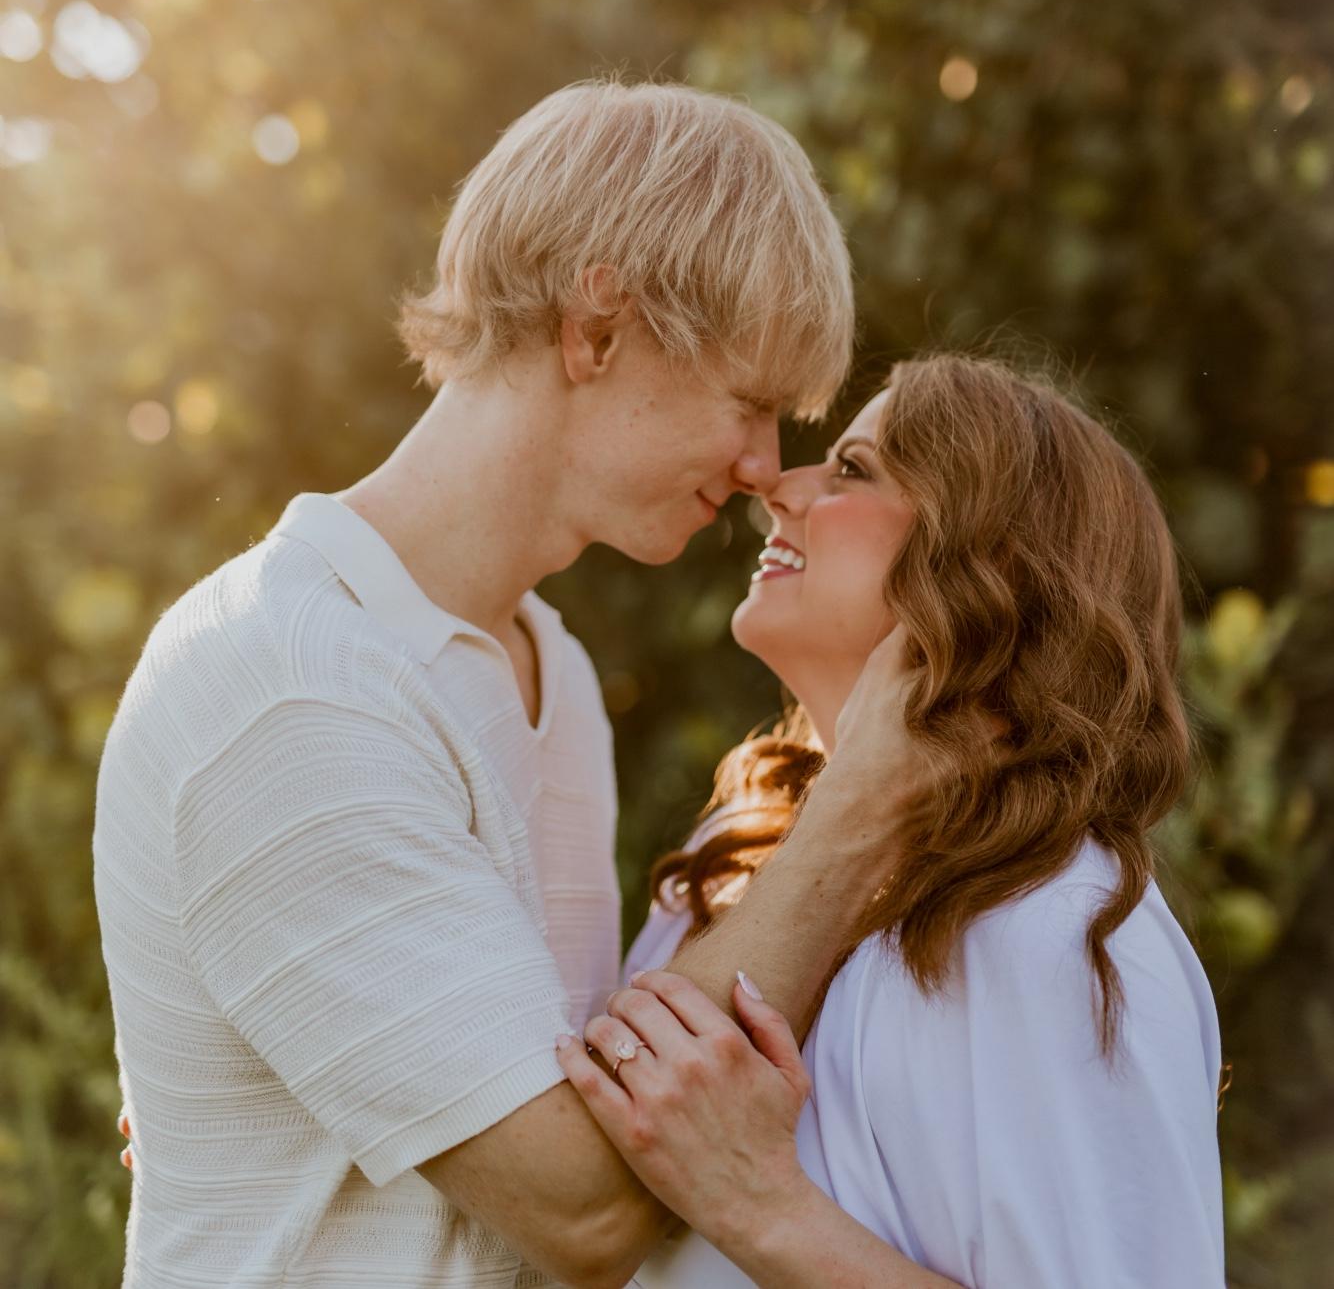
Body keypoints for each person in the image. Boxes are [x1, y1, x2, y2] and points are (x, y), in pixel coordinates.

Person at [92, 78, 936, 1289]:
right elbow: (583, 1207)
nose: (764, 467)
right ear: (595, 326)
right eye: (749, 403)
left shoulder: (552, 668)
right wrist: (858, 814)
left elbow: (582, 1095)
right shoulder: (291, 689)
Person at [559, 354, 1227, 1287]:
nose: (777, 488)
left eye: (853, 469)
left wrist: (760, 1204)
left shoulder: (1054, 927)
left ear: (991, 570)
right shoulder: (729, 860)